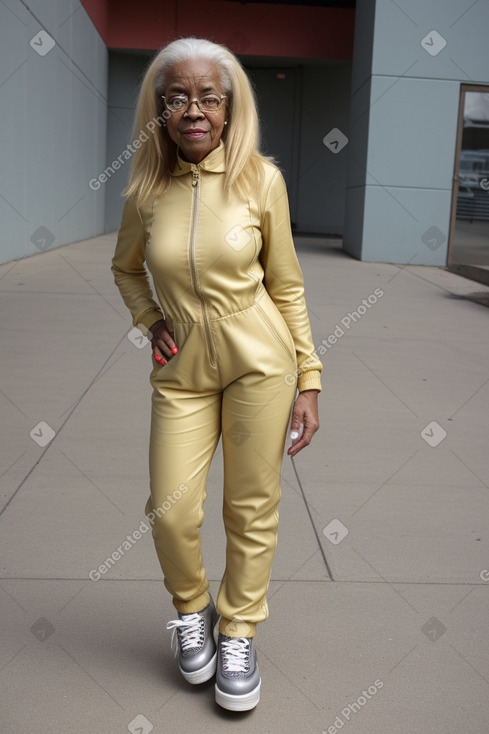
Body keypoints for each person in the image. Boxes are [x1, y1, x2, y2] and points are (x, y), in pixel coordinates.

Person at [111, 37, 322, 712]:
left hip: (261, 360)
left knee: (249, 505)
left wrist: (309, 377)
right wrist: (151, 318)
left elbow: (286, 285)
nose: (193, 109)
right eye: (178, 96)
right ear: (161, 107)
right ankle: (192, 609)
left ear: (229, 107)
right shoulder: (146, 187)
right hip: (183, 369)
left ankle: (237, 629)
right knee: (170, 511)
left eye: (208, 96)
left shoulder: (261, 180)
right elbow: (124, 266)